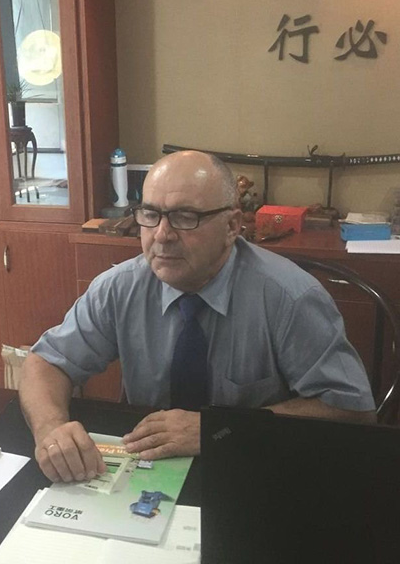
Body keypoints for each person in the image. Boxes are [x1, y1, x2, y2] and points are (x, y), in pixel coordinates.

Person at [19, 150, 375, 483]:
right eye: (150, 215)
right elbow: (46, 362)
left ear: (232, 226)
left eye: (185, 217)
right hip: (146, 469)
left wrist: (218, 429)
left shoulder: (290, 297)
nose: (162, 235)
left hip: (253, 467)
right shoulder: (119, 288)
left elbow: (352, 409)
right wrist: (51, 429)